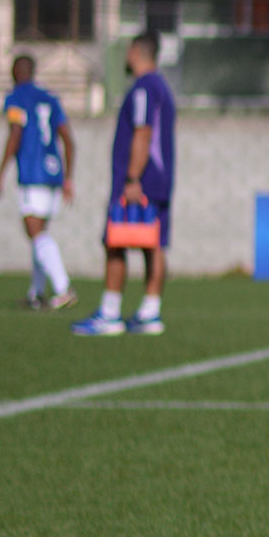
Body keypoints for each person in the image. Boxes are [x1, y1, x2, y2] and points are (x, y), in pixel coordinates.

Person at [71, 34, 172, 337]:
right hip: (159, 180)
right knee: (153, 244)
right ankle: (149, 313)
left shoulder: (143, 88)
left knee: (115, 242)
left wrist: (132, 179)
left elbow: (142, 132)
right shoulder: (162, 87)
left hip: (139, 181)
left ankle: (110, 313)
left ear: (135, 52)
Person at [0, 55, 77, 310]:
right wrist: (68, 178)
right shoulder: (50, 99)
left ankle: (63, 288)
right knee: (40, 234)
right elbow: (68, 139)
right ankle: (36, 292)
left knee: (34, 231)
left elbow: (16, 133)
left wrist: (0, 172)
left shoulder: (16, 98)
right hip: (54, 172)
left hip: (33, 172)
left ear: (16, 72)